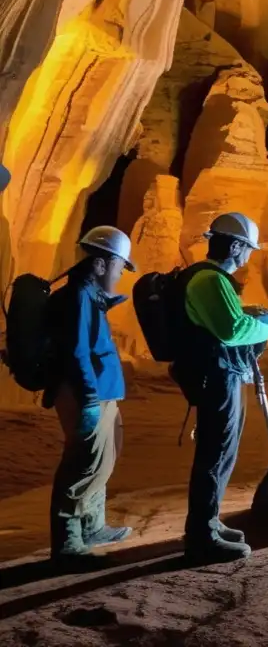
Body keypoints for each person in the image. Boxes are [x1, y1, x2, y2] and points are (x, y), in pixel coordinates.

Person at [172, 212, 268, 563]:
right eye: (248, 249)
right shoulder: (210, 280)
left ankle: (208, 521)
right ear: (236, 246)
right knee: (216, 452)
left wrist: (247, 315)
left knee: (221, 451)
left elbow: (225, 321)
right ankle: (201, 535)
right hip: (217, 376)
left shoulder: (209, 278)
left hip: (217, 373)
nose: (249, 256)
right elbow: (232, 330)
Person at [46, 226, 135, 566]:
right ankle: (68, 543)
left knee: (102, 458)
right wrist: (88, 397)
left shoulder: (86, 296)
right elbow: (78, 351)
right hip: (88, 393)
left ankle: (92, 526)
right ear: (100, 264)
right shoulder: (80, 296)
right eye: (118, 266)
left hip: (100, 391)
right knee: (82, 465)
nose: (119, 274)